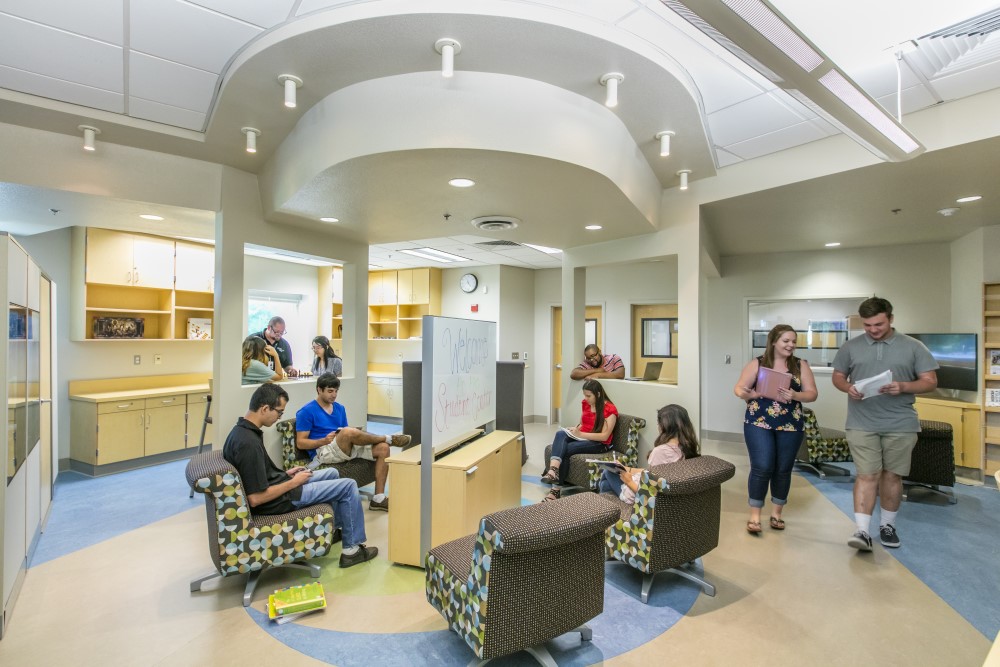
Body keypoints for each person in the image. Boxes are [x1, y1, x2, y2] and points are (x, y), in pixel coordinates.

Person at [222, 382, 377, 568]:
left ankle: (336, 530)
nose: (280, 417)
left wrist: (286, 474)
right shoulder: (248, 444)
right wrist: (293, 482)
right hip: (281, 500)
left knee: (332, 472)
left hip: (282, 489)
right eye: (279, 412)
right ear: (264, 408)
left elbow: (258, 475)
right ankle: (352, 550)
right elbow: (255, 498)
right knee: (349, 485)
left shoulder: (243, 432)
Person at [832, 297, 937, 551]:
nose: (873, 330)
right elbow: (838, 376)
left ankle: (887, 526)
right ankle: (862, 531)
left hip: (900, 423)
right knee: (867, 475)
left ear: (890, 318)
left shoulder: (914, 347)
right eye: (867, 325)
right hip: (861, 422)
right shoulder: (851, 346)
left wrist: (903, 386)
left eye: (878, 324)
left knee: (891, 476)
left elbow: (930, 381)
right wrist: (848, 388)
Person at [734, 324, 818, 534]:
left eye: (793, 341)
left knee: (782, 469)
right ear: (773, 342)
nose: (791, 345)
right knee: (762, 466)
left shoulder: (801, 365)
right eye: (786, 341)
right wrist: (749, 394)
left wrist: (795, 396)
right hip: (758, 422)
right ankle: (755, 516)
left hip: (790, 425)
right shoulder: (758, 364)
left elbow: (812, 394)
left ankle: (776, 514)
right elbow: (738, 388)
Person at [295, 373, 413, 512]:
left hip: (342, 447)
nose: (334, 395)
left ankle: (378, 499)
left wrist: (352, 434)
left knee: (383, 448)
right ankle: (388, 438)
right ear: (319, 390)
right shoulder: (306, 412)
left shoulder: (339, 408)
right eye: (330, 391)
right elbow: (301, 443)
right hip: (323, 452)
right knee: (348, 432)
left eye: (336, 391)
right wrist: (322, 440)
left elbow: (343, 432)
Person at [598, 403, 700, 504]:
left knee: (607, 472)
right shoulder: (687, 447)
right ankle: (606, 507)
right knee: (605, 484)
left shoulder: (660, 452)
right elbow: (653, 472)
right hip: (652, 488)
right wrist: (626, 468)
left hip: (636, 494)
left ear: (664, 426)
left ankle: (605, 512)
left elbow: (650, 493)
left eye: (658, 424)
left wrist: (628, 481)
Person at [540, 379, 618, 501]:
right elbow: (583, 423)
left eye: (588, 396)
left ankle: (555, 491)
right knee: (561, 434)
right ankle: (553, 470)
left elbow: (604, 436)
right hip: (583, 437)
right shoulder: (586, 403)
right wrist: (574, 430)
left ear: (598, 394)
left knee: (566, 450)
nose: (586, 398)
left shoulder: (609, 409)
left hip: (598, 443)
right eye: (584, 395)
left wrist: (581, 434)